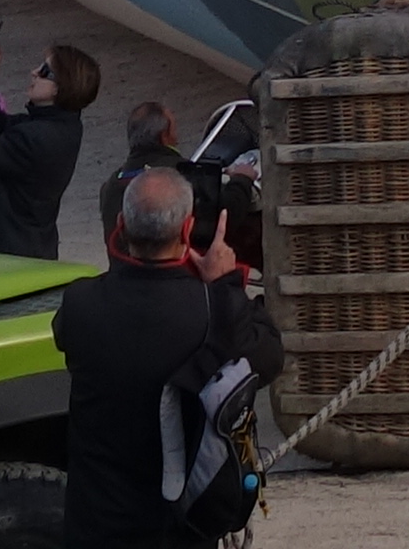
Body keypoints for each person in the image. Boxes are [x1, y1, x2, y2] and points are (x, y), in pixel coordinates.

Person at [50, 165, 266, 548]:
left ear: (121, 224)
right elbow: (269, 355)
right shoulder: (211, 309)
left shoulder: (80, 303)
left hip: (97, 527)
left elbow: (66, 333)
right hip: (179, 527)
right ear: (187, 230)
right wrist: (225, 284)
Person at [0, 41, 99, 261]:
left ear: (60, 87)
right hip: (24, 248)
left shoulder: (39, 137)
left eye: (44, 71)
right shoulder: (62, 124)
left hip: (9, 256)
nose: (34, 72)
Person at [92, 97, 196, 254]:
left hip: (122, 267)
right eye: (174, 130)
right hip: (176, 267)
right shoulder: (185, 175)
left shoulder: (110, 186)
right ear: (164, 135)